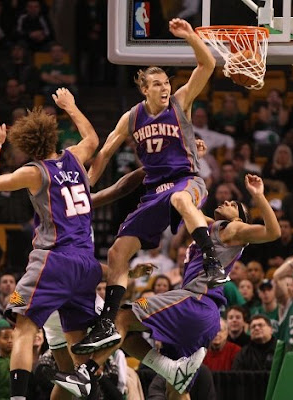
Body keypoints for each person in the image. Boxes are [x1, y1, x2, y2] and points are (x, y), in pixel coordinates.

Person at [73, 18, 228, 355]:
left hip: (188, 181)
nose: (164, 88)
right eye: (156, 84)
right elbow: (104, 153)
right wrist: (84, 187)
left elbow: (208, 63)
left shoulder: (181, 101)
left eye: (166, 83)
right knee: (117, 252)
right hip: (153, 190)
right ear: (144, 88)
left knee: (182, 202)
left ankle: (213, 264)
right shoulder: (131, 117)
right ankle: (107, 323)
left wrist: (190, 37)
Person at [51, 174, 281, 398]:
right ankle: (169, 369)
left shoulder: (233, 229)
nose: (228, 201)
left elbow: (273, 232)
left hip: (195, 301)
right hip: (201, 314)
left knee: (121, 317)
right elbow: (186, 203)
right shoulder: (209, 228)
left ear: (239, 219)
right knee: (176, 389)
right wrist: (190, 164)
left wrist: (259, 196)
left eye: (235, 204)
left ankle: (86, 374)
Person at [0, 87, 100, 400]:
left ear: (27, 147)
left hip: (55, 259)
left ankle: (18, 397)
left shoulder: (35, 172)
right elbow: (92, 138)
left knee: (23, 327)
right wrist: (71, 106)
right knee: (78, 346)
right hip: (88, 264)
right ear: (52, 137)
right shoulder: (75, 156)